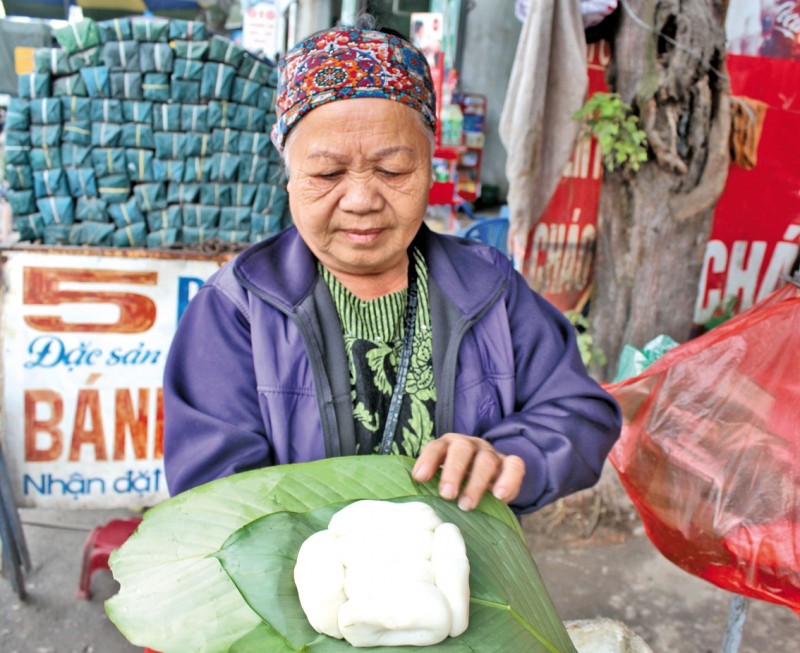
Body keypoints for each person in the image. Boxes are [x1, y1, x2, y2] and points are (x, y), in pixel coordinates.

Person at [163, 19, 622, 515]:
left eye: (393, 170)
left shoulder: (488, 288)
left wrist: (512, 456)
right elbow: (212, 496)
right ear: (289, 176)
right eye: (327, 173)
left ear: (429, 167)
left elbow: (579, 414)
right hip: (295, 589)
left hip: (457, 582)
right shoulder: (238, 309)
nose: (361, 200)